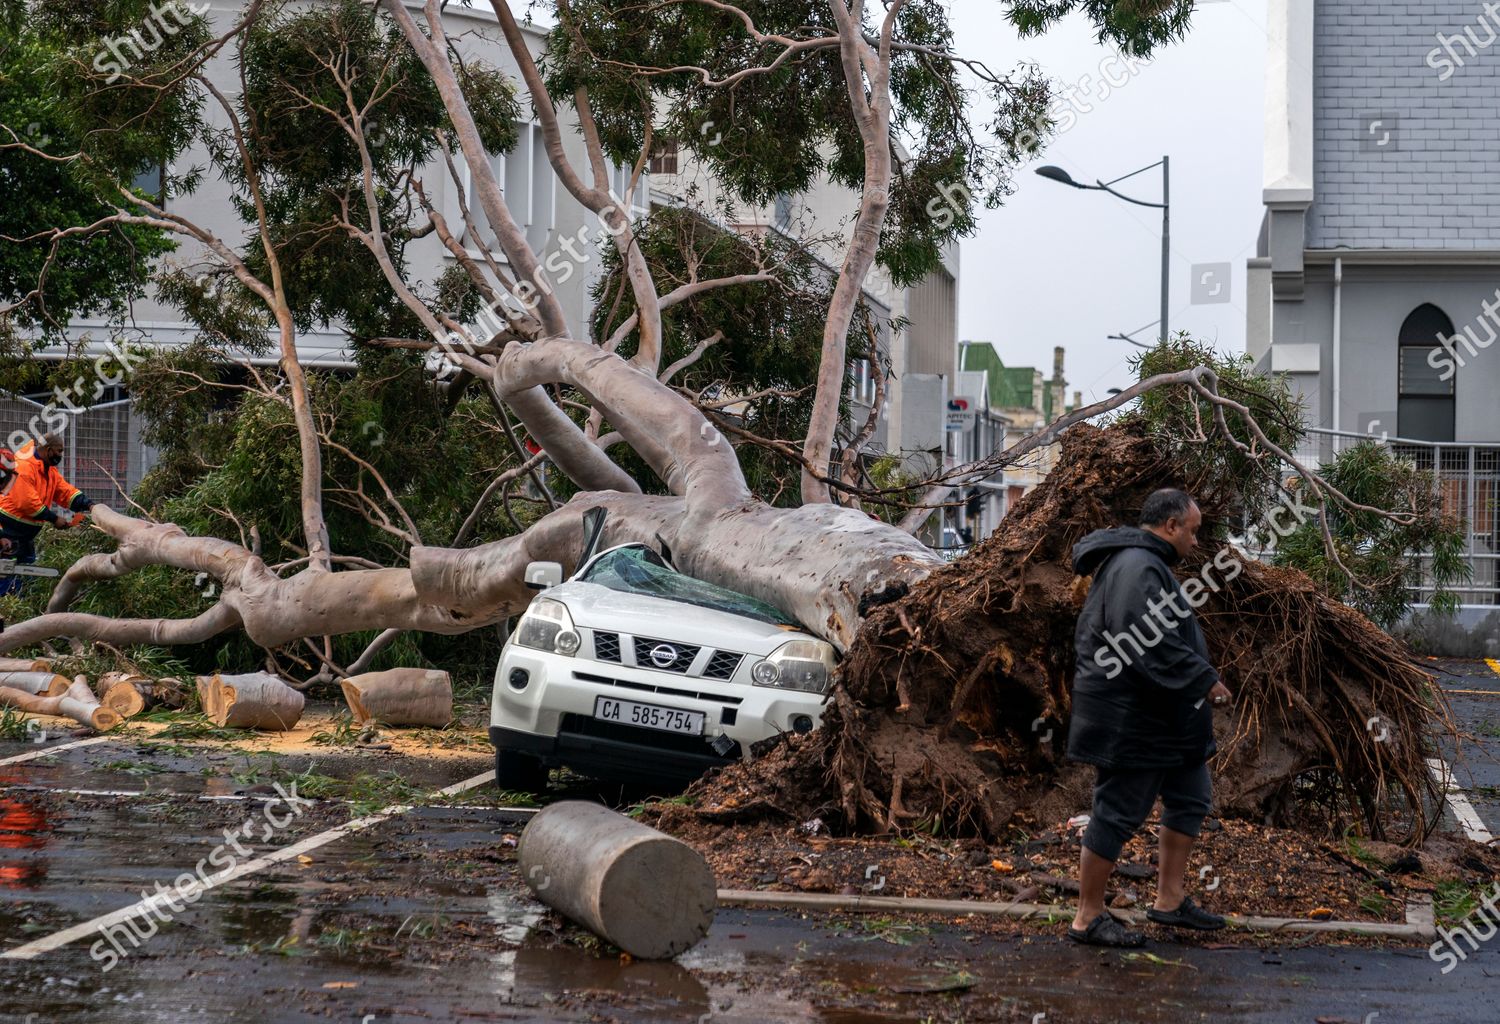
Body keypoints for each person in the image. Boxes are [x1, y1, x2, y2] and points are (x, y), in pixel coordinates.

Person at [1065, 487, 1234, 948]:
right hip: (1132, 716)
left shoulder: (1147, 562)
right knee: (1118, 810)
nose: (1196, 543)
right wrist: (1203, 679)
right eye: (1193, 532)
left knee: (1191, 795)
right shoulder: (1138, 566)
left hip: (1164, 717)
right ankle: (1088, 917)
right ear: (1171, 526)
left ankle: (1168, 901)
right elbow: (1145, 637)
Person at [0, 434, 98, 594]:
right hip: (8, 529)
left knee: (24, 576)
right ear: (48, 449)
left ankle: (18, 607)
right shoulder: (25, 466)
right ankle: (6, 607)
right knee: (5, 575)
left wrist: (88, 504)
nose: (60, 455)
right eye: (59, 451)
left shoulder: (49, 471)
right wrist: (54, 519)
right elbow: (27, 503)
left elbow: (65, 492)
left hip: (25, 535)